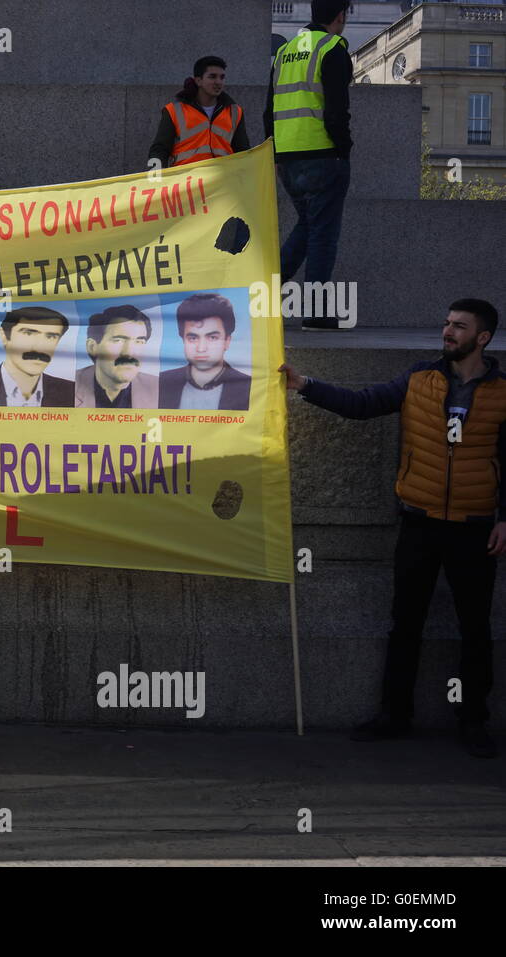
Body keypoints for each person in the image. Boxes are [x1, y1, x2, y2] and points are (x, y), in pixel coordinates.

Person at [280, 299, 506, 758]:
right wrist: (305, 385)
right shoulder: (418, 379)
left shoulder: (502, 391)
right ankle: (394, 715)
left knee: (475, 629)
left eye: (459, 327)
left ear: (482, 338)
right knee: (405, 624)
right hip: (419, 523)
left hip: (474, 528)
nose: (448, 331)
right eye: (446, 323)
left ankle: (473, 720)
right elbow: (362, 405)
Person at [265, 0, 353, 322]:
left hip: (288, 158)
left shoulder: (285, 52)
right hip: (322, 155)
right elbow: (336, 110)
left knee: (307, 227)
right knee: (323, 234)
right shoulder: (332, 47)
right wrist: (344, 149)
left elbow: (268, 109)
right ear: (341, 16)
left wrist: (275, 154)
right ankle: (316, 312)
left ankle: (266, 295)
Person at [148, 55, 249, 169]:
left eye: (222, 77)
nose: (218, 82)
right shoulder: (174, 111)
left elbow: (243, 153)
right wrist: (154, 178)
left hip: (222, 182)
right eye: (212, 77)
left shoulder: (235, 112)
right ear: (198, 80)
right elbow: (159, 150)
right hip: (186, 182)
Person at [158, 293, 251, 410]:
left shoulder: (250, 387)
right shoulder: (159, 384)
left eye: (212, 338)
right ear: (183, 340)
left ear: (227, 341)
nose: (201, 348)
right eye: (193, 338)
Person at [0, 306, 77, 407]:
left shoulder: (72, 392)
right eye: (28, 333)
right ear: (4, 336)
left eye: (51, 337)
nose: (40, 347)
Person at [75, 305, 160, 408]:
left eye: (139, 341)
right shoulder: (68, 386)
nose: (129, 352)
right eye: (118, 340)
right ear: (92, 347)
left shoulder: (159, 389)